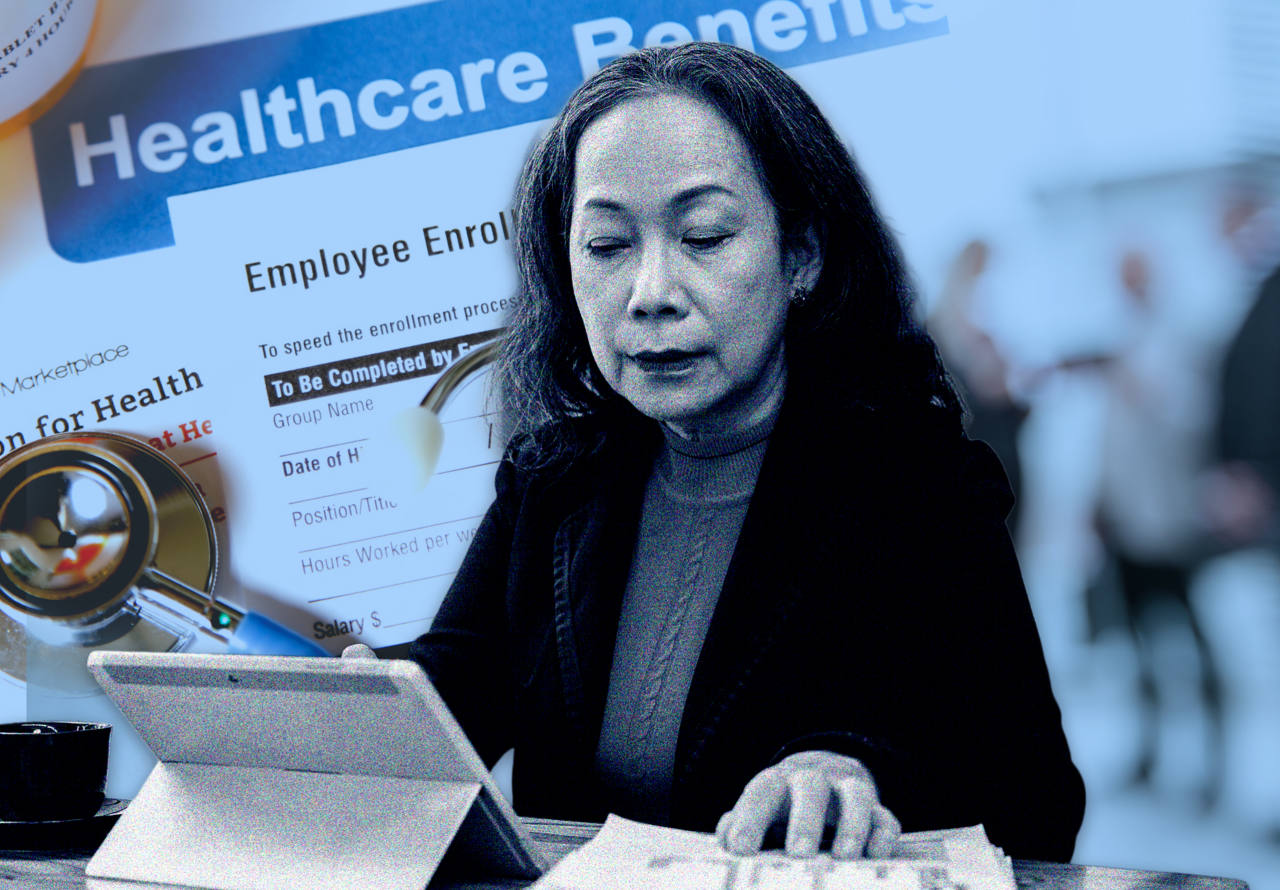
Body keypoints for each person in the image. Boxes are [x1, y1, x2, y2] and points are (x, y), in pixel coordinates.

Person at [409, 42, 1084, 863]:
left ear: (801, 255)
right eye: (608, 246)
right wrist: (346, 707)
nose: (651, 294)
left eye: (704, 235)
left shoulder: (920, 486)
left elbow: (1034, 797)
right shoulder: (553, 479)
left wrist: (858, 774)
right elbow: (453, 689)